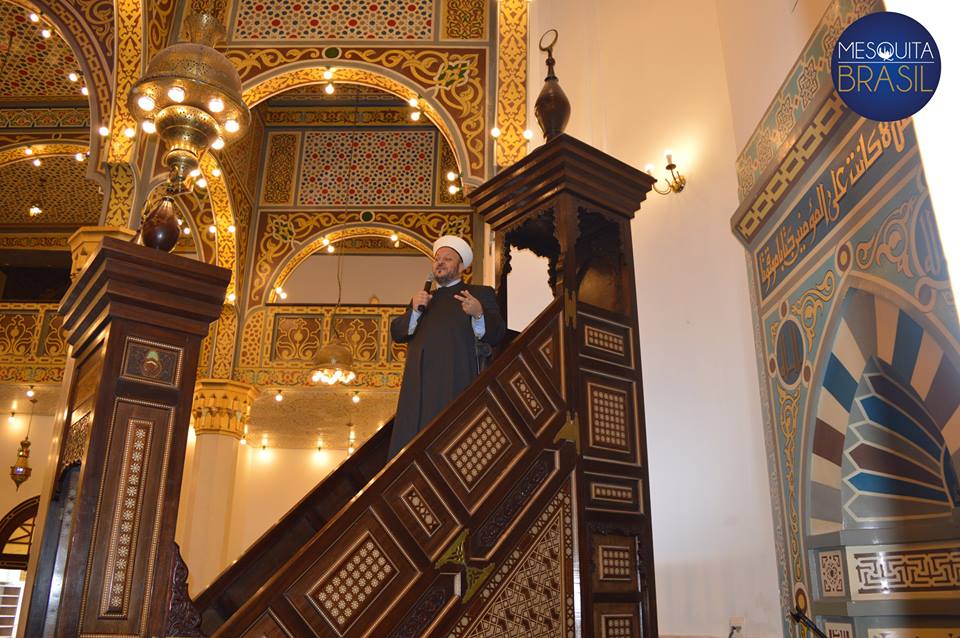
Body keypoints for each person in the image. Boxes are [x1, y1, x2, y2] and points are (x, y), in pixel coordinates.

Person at [389, 235, 505, 457]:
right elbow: (398, 333)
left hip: (455, 382)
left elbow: (497, 334)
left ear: (461, 267)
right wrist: (414, 310)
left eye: (447, 259)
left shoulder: (480, 294)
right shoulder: (423, 299)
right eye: (437, 259)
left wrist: (478, 313)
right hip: (418, 389)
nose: (439, 262)